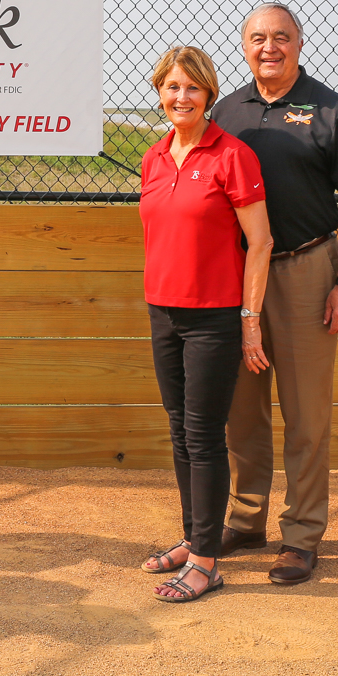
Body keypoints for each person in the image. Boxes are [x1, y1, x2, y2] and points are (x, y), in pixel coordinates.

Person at [208, 3, 338, 586]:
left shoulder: (333, 110)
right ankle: (245, 520)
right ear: (244, 45)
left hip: (306, 270)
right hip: (238, 275)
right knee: (241, 411)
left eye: (280, 37)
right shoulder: (223, 111)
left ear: (299, 43)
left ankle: (301, 536)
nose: (268, 47)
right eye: (257, 38)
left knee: (306, 414)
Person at [137, 47, 274, 603]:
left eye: (192, 88)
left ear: (209, 94)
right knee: (178, 428)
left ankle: (206, 562)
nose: (181, 97)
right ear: (160, 92)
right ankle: (197, 537)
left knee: (202, 433)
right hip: (162, 310)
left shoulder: (232, 156)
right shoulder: (153, 158)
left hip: (213, 316)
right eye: (172, 87)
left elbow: (260, 242)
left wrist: (249, 321)